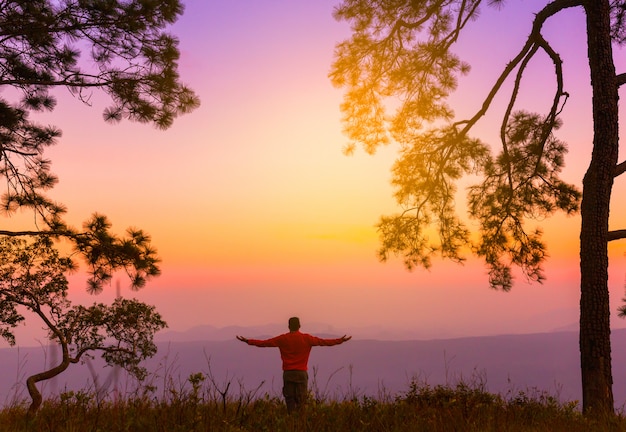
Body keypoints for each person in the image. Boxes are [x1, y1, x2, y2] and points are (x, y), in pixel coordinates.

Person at [236, 317, 351, 413]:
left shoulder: (283, 339)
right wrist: (340, 341)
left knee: (290, 401)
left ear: (288, 326)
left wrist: (248, 341)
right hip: (301, 373)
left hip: (288, 373)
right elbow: (324, 342)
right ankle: (300, 424)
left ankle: (291, 422)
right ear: (299, 325)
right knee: (301, 401)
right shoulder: (307, 339)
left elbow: (265, 343)